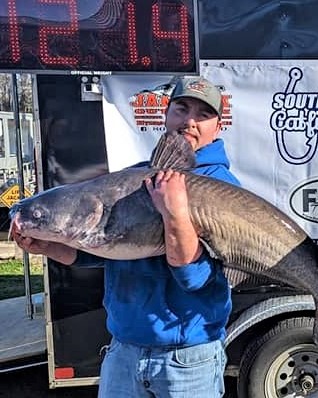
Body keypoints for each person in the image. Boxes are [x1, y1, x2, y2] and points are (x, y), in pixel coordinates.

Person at [11, 76, 239, 398]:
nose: (189, 121)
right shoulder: (136, 177)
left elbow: (195, 278)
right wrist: (48, 245)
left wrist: (174, 215)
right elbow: (102, 251)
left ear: (218, 127)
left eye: (203, 115)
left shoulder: (224, 188)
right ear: (166, 114)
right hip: (123, 350)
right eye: (181, 108)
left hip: (187, 360)